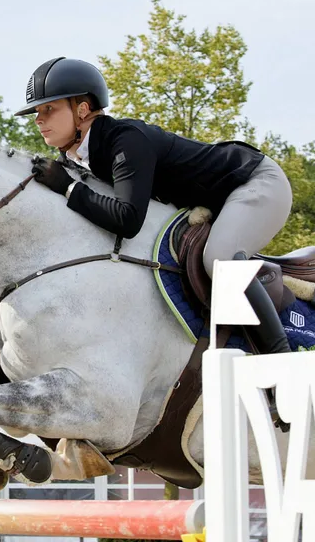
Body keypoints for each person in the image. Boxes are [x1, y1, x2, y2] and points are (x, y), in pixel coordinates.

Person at [18, 57, 293, 356]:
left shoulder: (125, 141)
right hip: (217, 200)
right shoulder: (76, 157)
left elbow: (127, 219)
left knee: (219, 259)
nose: (38, 119)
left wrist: (68, 187)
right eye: (37, 111)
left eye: (48, 109)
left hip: (254, 182)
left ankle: (280, 359)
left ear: (82, 109)